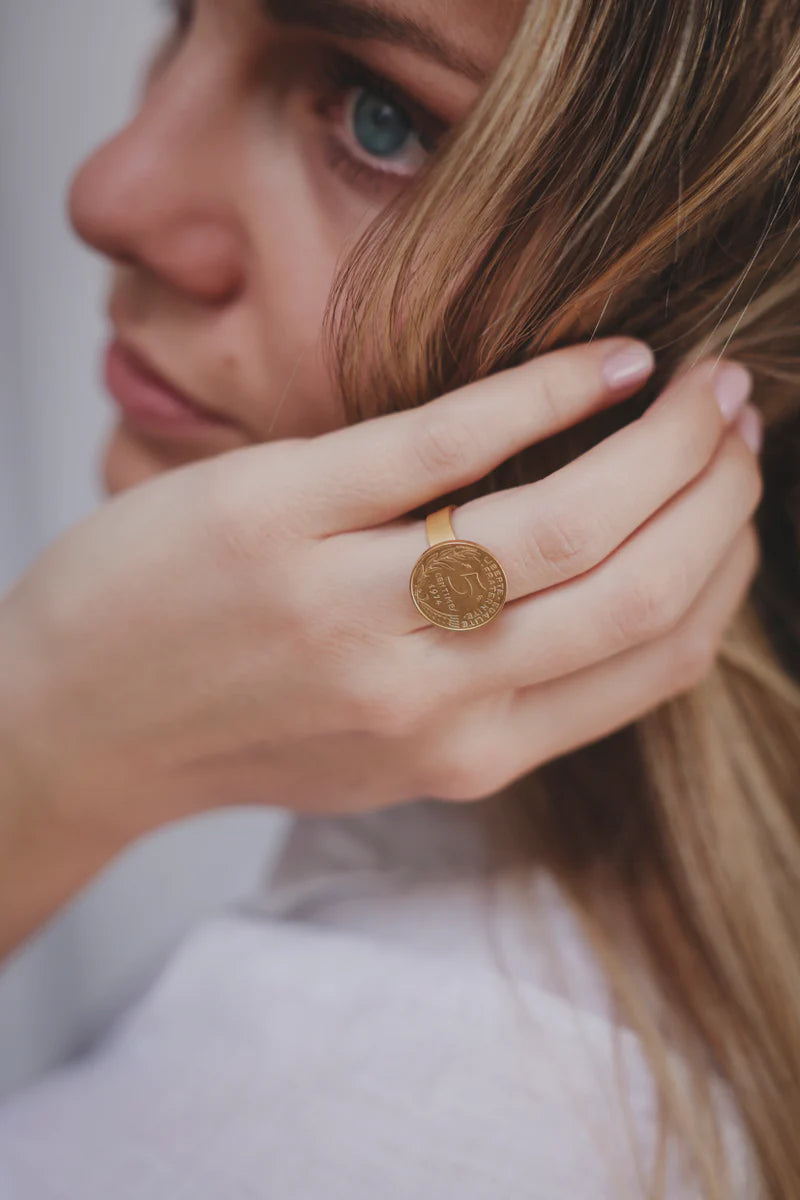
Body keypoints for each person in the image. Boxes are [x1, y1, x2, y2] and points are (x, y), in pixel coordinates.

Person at [0, 0, 797, 1195]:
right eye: (175, 17)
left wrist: (40, 742)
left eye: (382, 120)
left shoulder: (364, 1114)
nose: (110, 194)